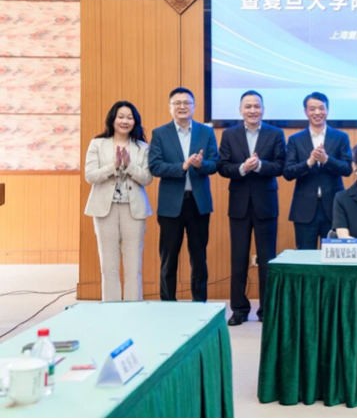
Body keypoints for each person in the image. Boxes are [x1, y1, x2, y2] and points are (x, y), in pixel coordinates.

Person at [217, 91, 286, 326]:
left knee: (267, 260)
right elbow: (223, 167)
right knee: (238, 259)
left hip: (266, 204)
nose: (253, 110)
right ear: (240, 110)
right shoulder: (229, 134)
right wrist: (243, 168)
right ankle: (239, 309)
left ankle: (267, 309)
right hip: (239, 205)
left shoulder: (275, 134)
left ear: (263, 109)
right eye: (248, 106)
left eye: (257, 106)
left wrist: (259, 166)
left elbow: (280, 166)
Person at [149, 87, 219, 303]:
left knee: (199, 258)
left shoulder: (206, 132)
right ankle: (168, 303)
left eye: (187, 103)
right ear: (170, 107)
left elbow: (215, 164)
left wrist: (199, 164)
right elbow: (155, 166)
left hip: (198, 204)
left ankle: (199, 303)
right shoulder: (159, 133)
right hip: (171, 205)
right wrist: (183, 166)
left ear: (194, 106)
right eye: (177, 103)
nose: (182, 106)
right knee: (168, 258)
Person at [84, 101, 152, 302]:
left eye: (129, 117)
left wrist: (129, 166)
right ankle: (110, 309)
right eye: (121, 117)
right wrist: (113, 166)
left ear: (135, 121)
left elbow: (147, 178)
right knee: (109, 266)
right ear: (112, 120)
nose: (125, 121)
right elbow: (90, 176)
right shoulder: (97, 144)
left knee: (133, 267)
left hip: (134, 210)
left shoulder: (142, 147)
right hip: (105, 210)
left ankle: (133, 309)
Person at [283, 92, 352, 250]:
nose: (317, 112)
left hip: (334, 208)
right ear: (305, 112)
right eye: (312, 108)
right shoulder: (295, 139)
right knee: (305, 258)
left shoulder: (341, 137)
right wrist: (309, 162)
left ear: (328, 110)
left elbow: (347, 168)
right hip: (304, 209)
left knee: (333, 257)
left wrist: (326, 159)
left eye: (321, 108)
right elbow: (288, 172)